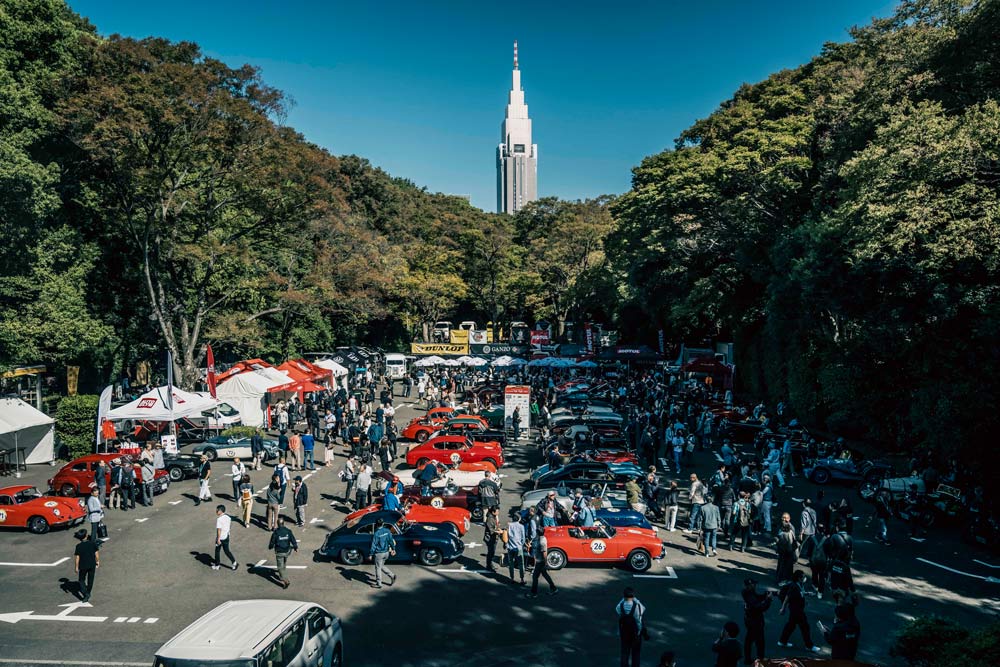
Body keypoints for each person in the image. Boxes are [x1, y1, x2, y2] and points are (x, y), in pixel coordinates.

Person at [777, 570, 821, 652]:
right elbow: (787, 597)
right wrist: (783, 608)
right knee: (805, 627)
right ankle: (809, 646)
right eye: (803, 577)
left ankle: (782, 641)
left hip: (797, 609)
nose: (805, 578)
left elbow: (800, 593)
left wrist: (807, 594)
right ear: (799, 578)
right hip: (796, 610)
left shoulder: (799, 584)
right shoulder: (794, 586)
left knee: (791, 626)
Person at [742, 578, 772, 664]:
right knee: (759, 641)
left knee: (750, 639)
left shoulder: (747, 592)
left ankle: (748, 659)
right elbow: (761, 608)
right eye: (753, 584)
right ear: (749, 585)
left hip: (750, 619)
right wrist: (768, 600)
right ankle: (760, 659)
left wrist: (765, 595)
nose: (755, 585)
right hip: (754, 621)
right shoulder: (750, 596)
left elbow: (757, 598)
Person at [615, 587, 647, 667]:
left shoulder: (620, 606)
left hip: (625, 634)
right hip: (636, 634)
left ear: (624, 596)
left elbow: (617, 610)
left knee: (624, 653)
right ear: (633, 596)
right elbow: (642, 611)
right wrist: (636, 600)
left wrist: (623, 600)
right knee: (636, 654)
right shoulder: (637, 606)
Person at [526, 525, 557, 599]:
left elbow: (544, 552)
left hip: (541, 561)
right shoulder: (542, 538)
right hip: (540, 560)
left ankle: (534, 593)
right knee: (545, 574)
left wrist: (546, 563)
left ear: (537, 533)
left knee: (535, 577)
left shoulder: (542, 541)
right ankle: (554, 588)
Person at [267, 516, 298, 589]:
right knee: (284, 562)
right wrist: (295, 547)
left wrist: (270, 547)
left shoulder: (276, 533)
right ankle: (283, 573)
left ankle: (285, 579)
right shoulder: (288, 531)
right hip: (287, 551)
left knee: (280, 567)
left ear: (277, 524)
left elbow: (272, 542)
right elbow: (293, 539)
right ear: (283, 523)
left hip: (279, 551)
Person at [73, 528, 99, 602]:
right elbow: (96, 554)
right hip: (92, 564)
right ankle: (88, 592)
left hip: (83, 565)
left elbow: (77, 557)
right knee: (90, 580)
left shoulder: (78, 546)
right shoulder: (92, 543)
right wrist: (97, 561)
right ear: (87, 535)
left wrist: (76, 567)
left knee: (81, 580)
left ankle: (85, 593)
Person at [370, 518, 397, 589]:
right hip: (386, 552)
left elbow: (374, 545)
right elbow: (391, 540)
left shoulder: (376, 533)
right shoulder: (387, 531)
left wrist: (370, 554)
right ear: (383, 523)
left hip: (379, 553)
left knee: (378, 568)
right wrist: (393, 549)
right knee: (381, 566)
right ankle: (392, 576)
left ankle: (379, 584)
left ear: (376, 525)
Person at [775, 513, 799, 584]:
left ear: (789, 518)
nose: (784, 519)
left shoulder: (791, 528)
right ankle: (781, 578)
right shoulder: (780, 526)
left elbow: (792, 540)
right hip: (783, 550)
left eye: (786, 518)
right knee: (782, 565)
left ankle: (784, 579)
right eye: (783, 517)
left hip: (787, 550)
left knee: (786, 566)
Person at [213, 505, 238, 571]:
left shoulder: (219, 519)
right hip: (226, 536)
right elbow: (230, 525)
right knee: (227, 551)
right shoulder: (228, 517)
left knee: (217, 551)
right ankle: (234, 562)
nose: (216, 511)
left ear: (220, 511)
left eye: (217, 510)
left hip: (221, 538)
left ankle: (217, 565)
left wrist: (218, 539)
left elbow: (219, 530)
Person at [506, 512, 527, 585]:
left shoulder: (509, 525)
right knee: (521, 564)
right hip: (518, 547)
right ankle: (522, 579)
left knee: (511, 563)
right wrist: (521, 544)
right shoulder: (521, 526)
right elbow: (523, 538)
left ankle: (512, 578)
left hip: (510, 547)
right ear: (519, 518)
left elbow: (507, 536)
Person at [483, 506, 502, 572]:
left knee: (492, 552)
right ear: (493, 512)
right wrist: (499, 532)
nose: (498, 513)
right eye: (497, 511)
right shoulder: (490, 519)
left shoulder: (494, 517)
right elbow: (491, 530)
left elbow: (496, 526)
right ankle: (488, 566)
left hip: (494, 538)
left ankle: (490, 564)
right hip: (490, 538)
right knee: (490, 552)